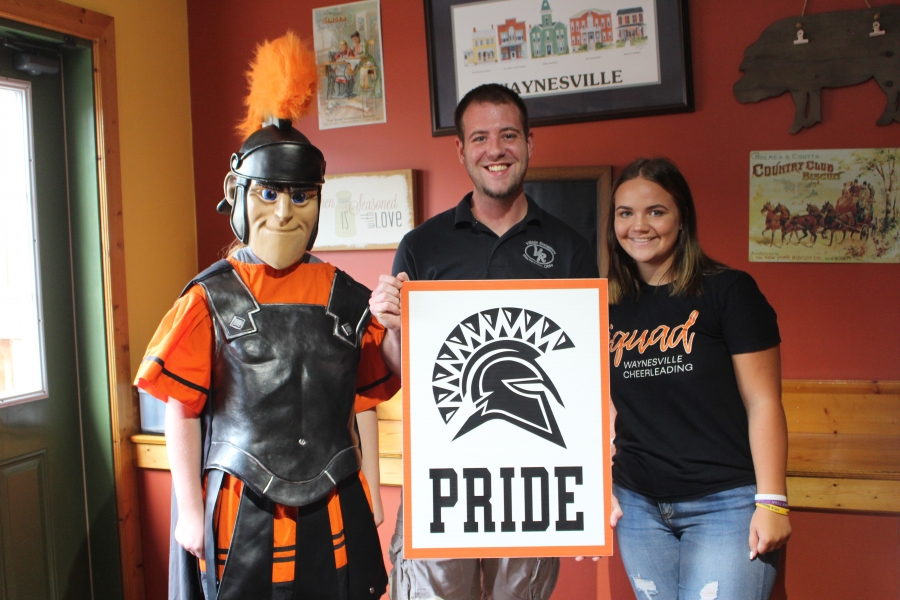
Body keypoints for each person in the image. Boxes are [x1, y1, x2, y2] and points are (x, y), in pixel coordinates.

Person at [134, 32, 398, 600]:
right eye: (271, 192)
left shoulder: (344, 295)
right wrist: (187, 509)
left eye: (300, 196)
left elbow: (364, 397)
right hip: (242, 504)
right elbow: (181, 412)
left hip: (336, 497)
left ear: (319, 200)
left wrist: (372, 489)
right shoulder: (211, 298)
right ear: (239, 195)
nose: (284, 212)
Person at [370, 83, 598, 600]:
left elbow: (587, 376)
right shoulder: (422, 246)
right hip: (442, 472)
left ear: (530, 144)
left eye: (508, 135)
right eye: (480, 138)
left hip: (535, 479)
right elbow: (399, 371)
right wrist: (392, 329)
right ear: (462, 150)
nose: (495, 150)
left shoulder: (569, 249)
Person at [606, 157, 791, 600]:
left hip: (725, 503)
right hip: (637, 504)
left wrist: (772, 501)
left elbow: (763, 402)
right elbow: (598, 407)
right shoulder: (605, 304)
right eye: (625, 213)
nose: (639, 225)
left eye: (656, 211)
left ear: (682, 217)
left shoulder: (728, 291)